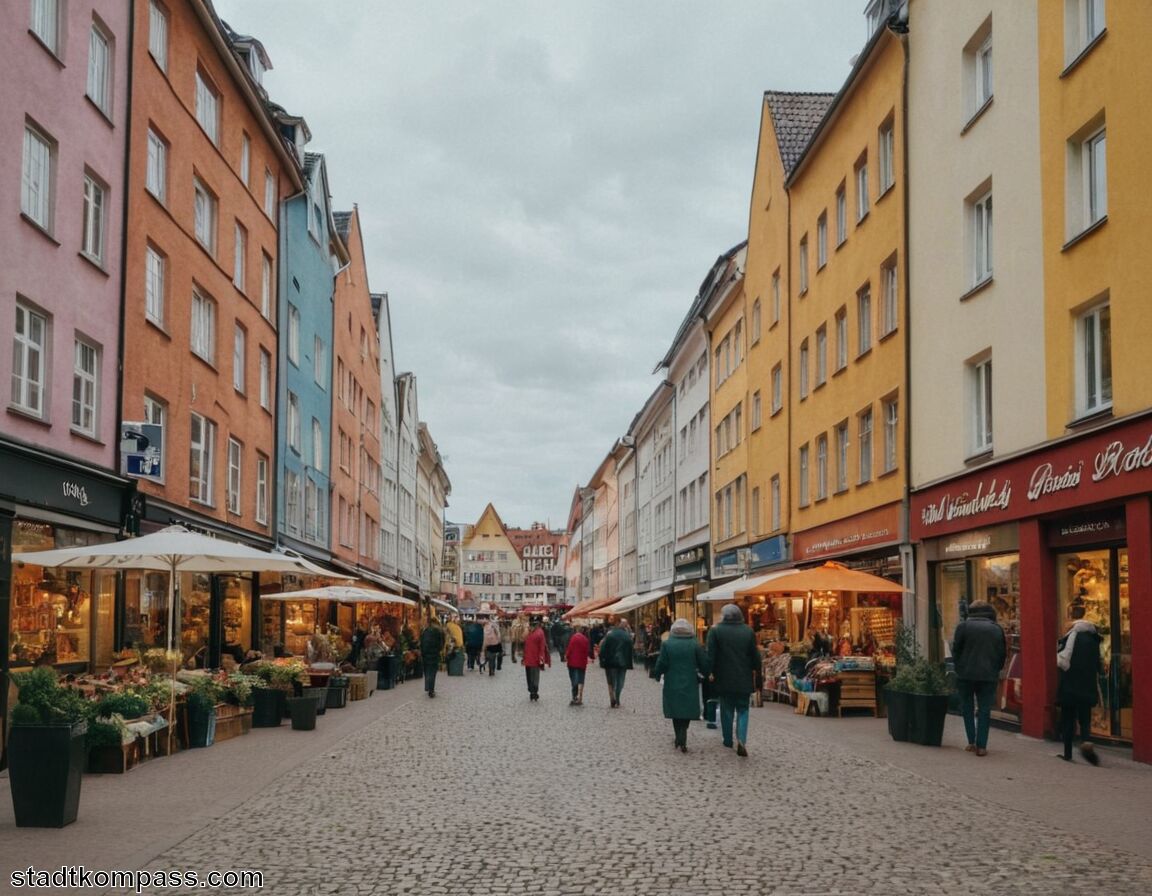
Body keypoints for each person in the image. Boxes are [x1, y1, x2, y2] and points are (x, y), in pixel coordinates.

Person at [951, 600, 1007, 757]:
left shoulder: (963, 627)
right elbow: (1002, 653)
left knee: (967, 707)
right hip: (988, 675)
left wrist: (959, 666)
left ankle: (971, 741)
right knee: (984, 709)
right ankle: (982, 745)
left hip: (965, 674)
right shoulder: (996, 629)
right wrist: (996, 669)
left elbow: (956, 650)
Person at [706, 604, 761, 757]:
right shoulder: (748, 631)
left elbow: (711, 655)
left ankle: (728, 739)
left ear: (724, 616)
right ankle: (742, 739)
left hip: (724, 678)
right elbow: (756, 656)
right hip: (744, 678)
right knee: (743, 710)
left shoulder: (716, 630)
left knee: (727, 709)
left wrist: (709, 672)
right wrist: (758, 676)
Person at [1057, 603, 1104, 765]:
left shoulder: (1071, 636)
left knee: (1068, 719)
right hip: (1088, 684)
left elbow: (1062, 661)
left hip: (1070, 684)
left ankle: (1068, 753)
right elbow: (1099, 663)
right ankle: (1086, 741)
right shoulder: (1094, 639)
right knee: (1085, 718)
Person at [654, 618, 710, 752]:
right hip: (690, 681)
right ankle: (682, 736)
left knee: (675, 710)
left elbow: (662, 662)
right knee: (686, 709)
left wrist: (657, 674)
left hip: (672, 680)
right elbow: (703, 662)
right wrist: (707, 673)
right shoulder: (695, 644)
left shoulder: (667, 644)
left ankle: (679, 737)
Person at [598, 618, 634, 708]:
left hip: (611, 661)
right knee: (620, 681)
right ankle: (617, 697)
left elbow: (603, 648)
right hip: (623, 662)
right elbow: (631, 650)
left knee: (612, 681)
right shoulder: (627, 636)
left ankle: (613, 695)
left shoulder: (610, 635)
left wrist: (602, 659)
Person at [522, 615, 551, 701]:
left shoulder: (528, 632)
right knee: (535, 676)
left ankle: (532, 692)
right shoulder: (540, 632)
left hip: (528, 658)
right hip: (534, 659)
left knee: (529, 676)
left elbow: (522, 642)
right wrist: (541, 659)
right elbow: (542, 647)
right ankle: (534, 691)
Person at [418, 616, 446, 698]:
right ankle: (431, 690)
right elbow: (441, 643)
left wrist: (422, 652)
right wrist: (439, 650)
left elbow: (422, 642)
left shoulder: (425, 631)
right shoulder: (439, 631)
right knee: (432, 672)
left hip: (426, 654)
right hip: (434, 654)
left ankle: (428, 687)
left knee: (427, 670)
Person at [564, 625, 591, 705]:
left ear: (576, 630)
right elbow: (587, 651)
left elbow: (570, 649)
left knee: (574, 680)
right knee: (581, 679)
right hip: (582, 662)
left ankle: (574, 696)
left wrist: (566, 656)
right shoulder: (585, 639)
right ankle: (580, 697)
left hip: (572, 662)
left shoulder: (573, 638)